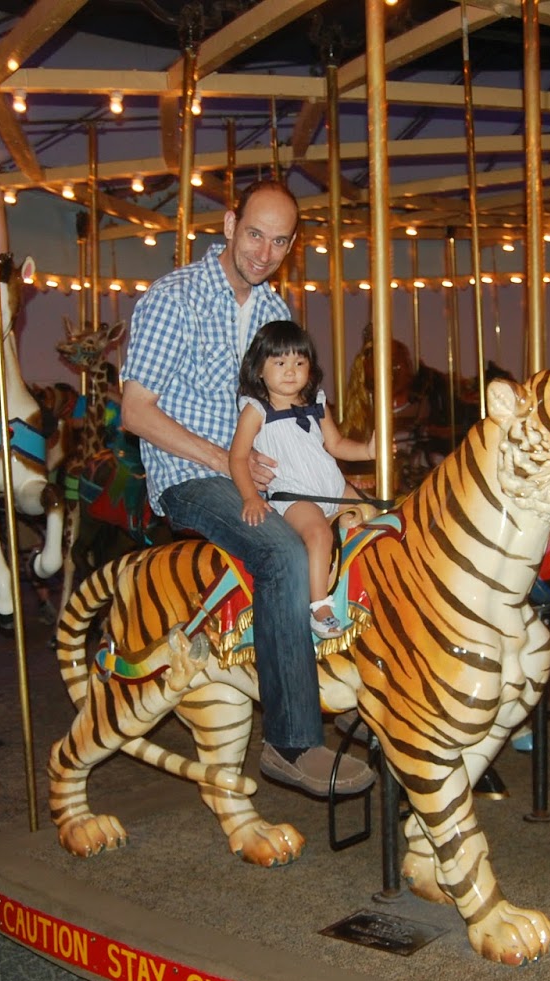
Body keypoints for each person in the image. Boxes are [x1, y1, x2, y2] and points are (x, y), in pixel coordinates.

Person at [120, 179, 374, 798]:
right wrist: (225, 457)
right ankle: (291, 742)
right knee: (283, 553)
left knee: (369, 526)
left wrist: (346, 480)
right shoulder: (174, 298)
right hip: (192, 474)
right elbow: (135, 412)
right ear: (230, 224)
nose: (264, 253)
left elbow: (302, 414)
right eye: (255, 234)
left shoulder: (273, 312)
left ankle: (357, 688)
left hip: (274, 475)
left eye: (279, 242)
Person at [229, 321, 373, 638]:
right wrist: (250, 496)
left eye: (299, 362)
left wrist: (367, 450)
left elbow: (336, 444)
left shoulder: (316, 403)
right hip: (294, 496)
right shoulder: (256, 410)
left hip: (334, 489)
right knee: (318, 533)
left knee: (373, 519)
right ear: (260, 369)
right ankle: (319, 607)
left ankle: (364, 588)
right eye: (280, 363)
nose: (291, 371)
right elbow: (238, 457)